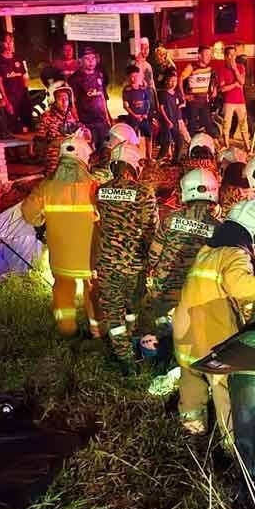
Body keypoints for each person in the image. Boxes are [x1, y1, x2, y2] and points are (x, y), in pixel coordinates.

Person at [172, 199, 255, 445]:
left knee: (191, 378)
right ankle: (232, 444)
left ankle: (192, 431)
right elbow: (239, 286)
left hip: (184, 329)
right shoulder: (235, 253)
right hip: (211, 335)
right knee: (223, 387)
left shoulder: (207, 251)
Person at [20, 132, 99, 336]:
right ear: (83, 158)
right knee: (93, 291)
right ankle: (97, 331)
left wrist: (41, 221)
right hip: (89, 258)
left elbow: (29, 214)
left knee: (62, 291)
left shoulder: (46, 187)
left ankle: (66, 331)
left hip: (60, 257)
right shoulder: (94, 187)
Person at [93, 141, 159, 371]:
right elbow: (152, 231)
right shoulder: (144, 193)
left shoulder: (101, 191)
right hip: (134, 266)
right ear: (134, 166)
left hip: (107, 266)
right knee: (132, 307)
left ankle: (124, 355)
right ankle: (129, 350)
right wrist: (154, 262)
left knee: (113, 313)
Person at [147, 167, 223, 326]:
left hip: (164, 290)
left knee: (163, 331)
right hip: (196, 292)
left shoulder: (170, 219)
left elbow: (154, 255)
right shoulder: (218, 228)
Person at [35, 81, 87, 175]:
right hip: (55, 155)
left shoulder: (70, 115)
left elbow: (80, 128)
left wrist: (84, 132)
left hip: (71, 152)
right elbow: (39, 143)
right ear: (53, 100)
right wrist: (55, 143)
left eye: (66, 98)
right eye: (60, 98)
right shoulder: (46, 117)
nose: (64, 102)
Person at [69, 48, 113, 149]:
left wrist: (108, 117)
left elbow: (102, 98)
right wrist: (77, 122)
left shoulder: (99, 75)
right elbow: (72, 103)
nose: (91, 62)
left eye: (93, 58)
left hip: (101, 121)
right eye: (87, 59)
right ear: (80, 61)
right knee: (88, 150)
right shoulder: (75, 79)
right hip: (86, 122)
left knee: (105, 148)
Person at [0, 33, 32, 133]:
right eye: (6, 42)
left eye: (11, 41)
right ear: (1, 43)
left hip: (22, 94)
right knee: (13, 125)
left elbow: (24, 76)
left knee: (28, 123)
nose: (9, 44)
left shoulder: (18, 58)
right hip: (10, 96)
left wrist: (26, 92)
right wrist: (6, 100)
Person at [180, 45, 218, 136]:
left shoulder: (209, 69)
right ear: (199, 56)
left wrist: (214, 90)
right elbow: (180, 79)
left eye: (210, 55)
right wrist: (183, 95)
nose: (209, 57)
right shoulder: (191, 67)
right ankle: (190, 146)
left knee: (208, 125)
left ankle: (211, 146)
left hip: (204, 101)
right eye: (206, 55)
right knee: (192, 125)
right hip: (193, 101)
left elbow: (213, 80)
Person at [218, 44, 249, 149]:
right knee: (226, 125)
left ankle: (247, 146)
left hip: (241, 101)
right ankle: (226, 145)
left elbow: (242, 81)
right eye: (229, 55)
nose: (232, 57)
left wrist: (235, 69)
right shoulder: (222, 70)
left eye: (234, 55)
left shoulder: (240, 67)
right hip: (229, 101)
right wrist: (234, 85)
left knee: (244, 125)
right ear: (225, 57)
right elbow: (222, 89)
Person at [121, 65, 154, 163]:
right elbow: (125, 106)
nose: (133, 78)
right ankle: (136, 158)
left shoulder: (143, 89)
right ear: (128, 77)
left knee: (148, 136)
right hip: (133, 119)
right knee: (133, 138)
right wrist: (134, 115)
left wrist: (145, 114)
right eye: (131, 76)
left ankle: (149, 157)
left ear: (139, 76)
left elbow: (148, 103)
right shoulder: (127, 91)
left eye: (136, 76)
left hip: (144, 118)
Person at [157, 70, 184, 163]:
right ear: (167, 81)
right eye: (171, 81)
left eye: (175, 81)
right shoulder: (163, 94)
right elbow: (161, 108)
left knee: (180, 140)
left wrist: (180, 106)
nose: (173, 83)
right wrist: (167, 121)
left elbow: (181, 103)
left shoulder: (176, 93)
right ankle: (158, 160)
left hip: (175, 121)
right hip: (167, 122)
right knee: (166, 142)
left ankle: (175, 161)